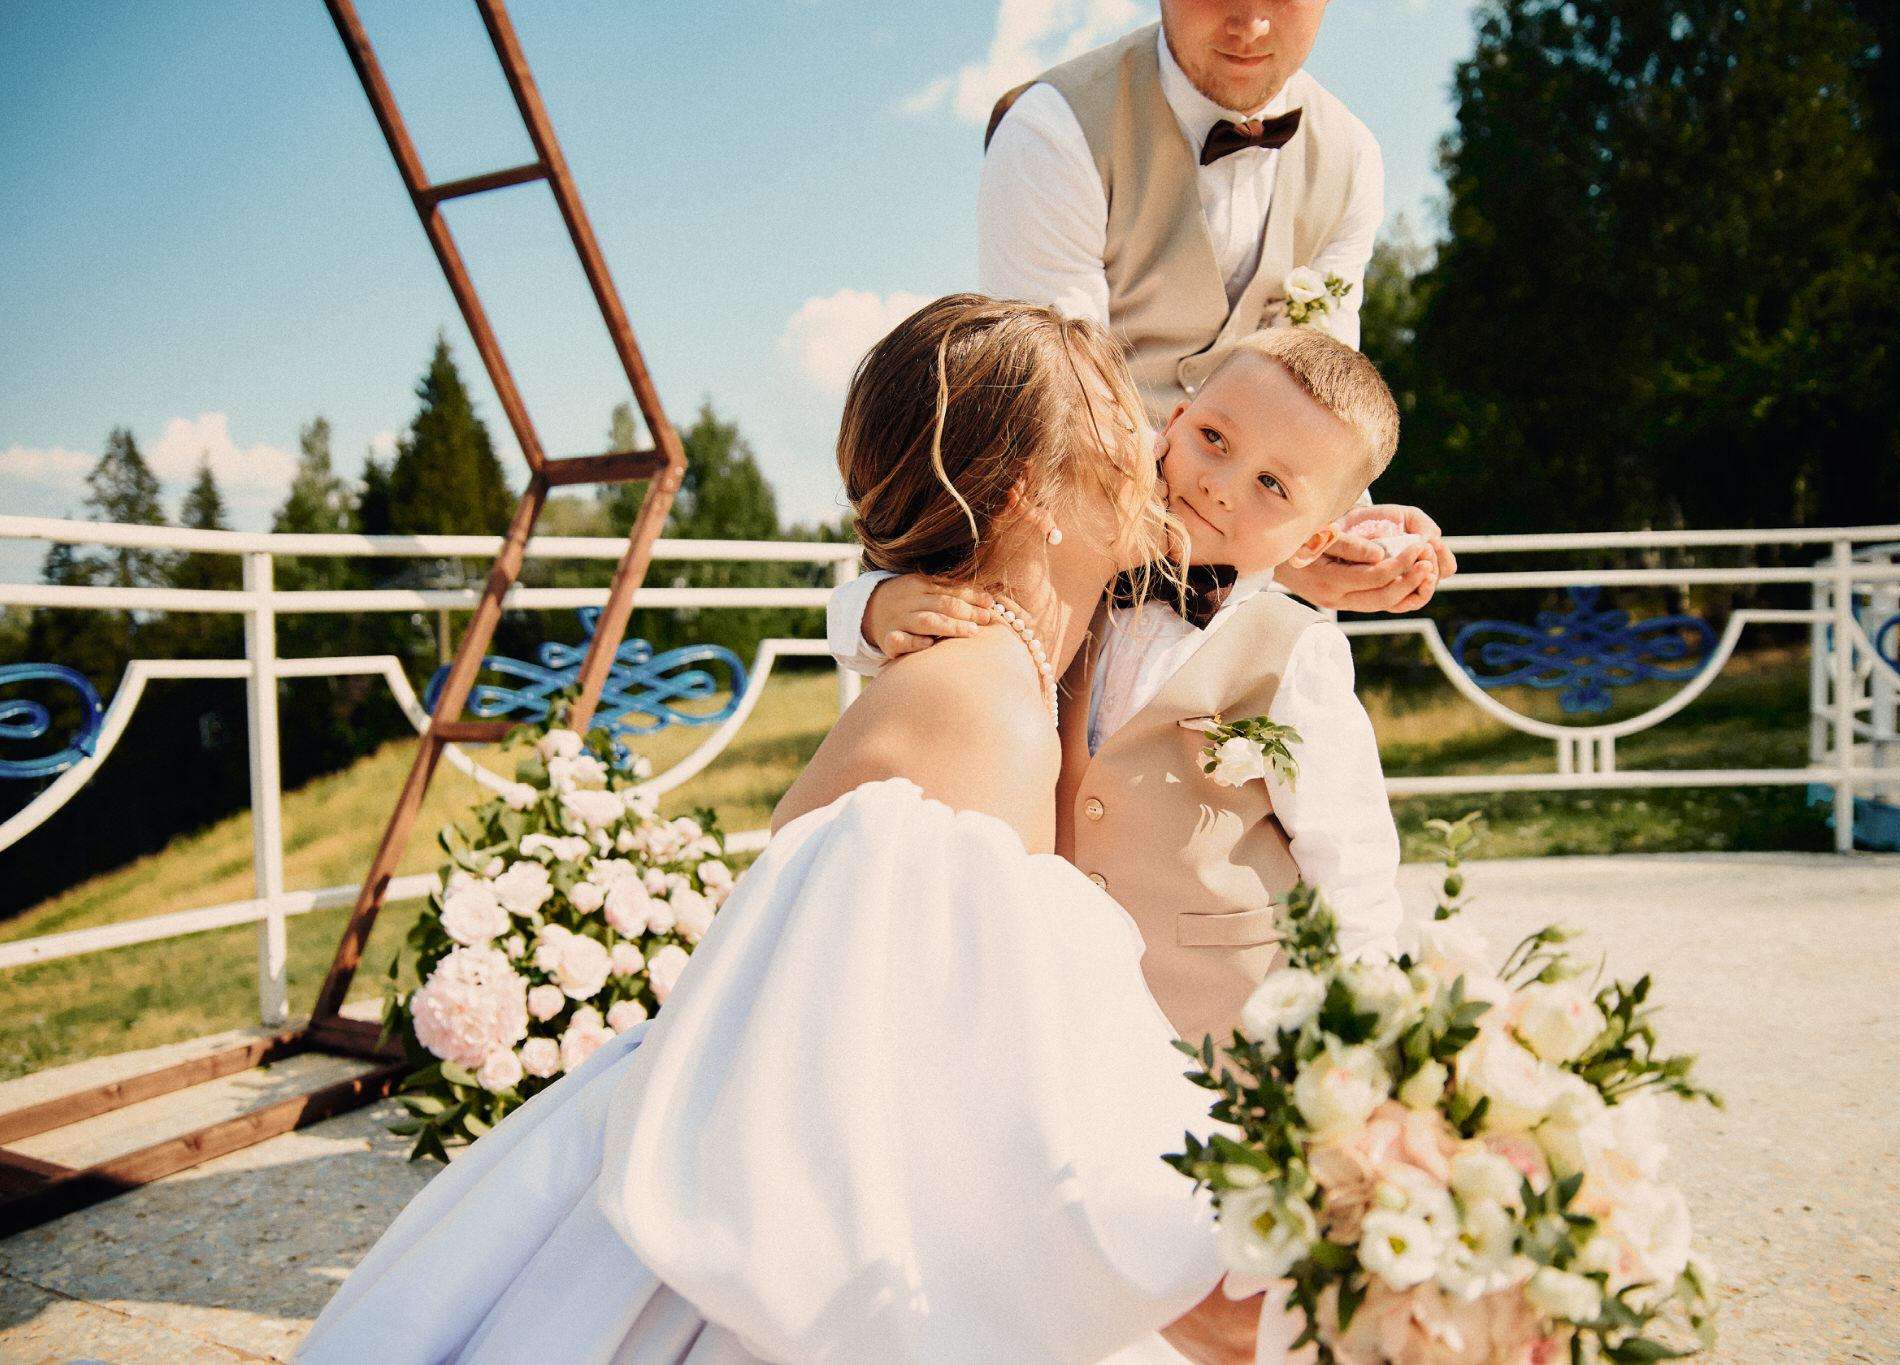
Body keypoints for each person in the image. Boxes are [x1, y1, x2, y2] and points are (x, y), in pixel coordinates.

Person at [294, 296, 1248, 1364]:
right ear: (1029, 496)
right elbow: (973, 1081)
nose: (1154, 450)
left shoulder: (1012, 674)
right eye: (1120, 425)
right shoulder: (979, 705)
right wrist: (1174, 1274)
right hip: (798, 1230)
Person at [833, 327, 1405, 1057]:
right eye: (1215, 439)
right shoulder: (1097, 559)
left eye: (1272, 485)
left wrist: (1369, 1031)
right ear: (1171, 425)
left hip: (1224, 1021)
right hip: (1065, 1001)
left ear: (1311, 544)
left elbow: (1350, 862)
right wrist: (876, 611)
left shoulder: (1299, 655)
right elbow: (901, 604)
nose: (1220, 485)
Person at [978, 0, 1456, 615]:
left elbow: (1323, 393)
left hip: (1252, 577)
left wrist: (1345, 530)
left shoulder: (1353, 157)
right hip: (1070, 563)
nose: (1250, 24)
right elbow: (1059, 400)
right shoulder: (1054, 125)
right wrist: (1267, 538)